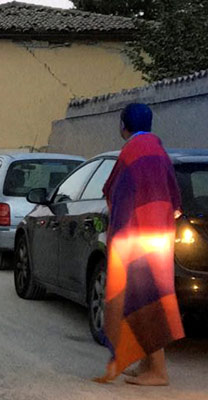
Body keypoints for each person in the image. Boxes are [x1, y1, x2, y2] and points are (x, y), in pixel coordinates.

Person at [95, 103, 184, 386]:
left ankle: (158, 371)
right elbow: (174, 196)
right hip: (161, 235)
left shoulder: (132, 152)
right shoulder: (159, 151)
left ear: (124, 125)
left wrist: (116, 236)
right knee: (150, 296)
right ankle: (147, 364)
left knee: (144, 299)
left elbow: (119, 194)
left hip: (139, 235)